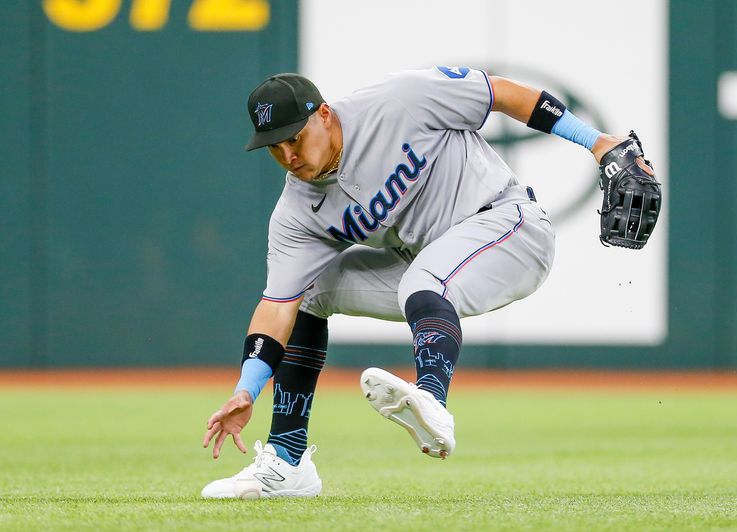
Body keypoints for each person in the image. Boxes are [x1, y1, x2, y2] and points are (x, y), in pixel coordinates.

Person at [200, 66, 651, 498]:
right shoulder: (297, 212)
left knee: (425, 278)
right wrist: (247, 388)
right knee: (312, 293)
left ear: (323, 114)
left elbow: (503, 94)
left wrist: (597, 143)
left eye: (293, 139)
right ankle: (287, 461)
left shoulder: (402, 99)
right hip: (426, 261)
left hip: (509, 227)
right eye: (274, 147)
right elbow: (277, 306)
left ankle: (433, 400)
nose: (288, 157)